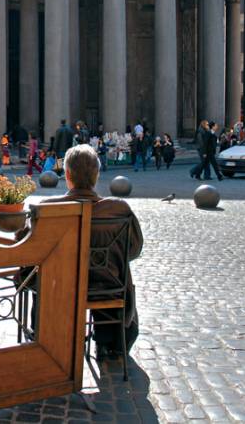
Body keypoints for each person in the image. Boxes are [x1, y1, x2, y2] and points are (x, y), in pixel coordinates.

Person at [39, 145, 143, 360]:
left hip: (60, 287)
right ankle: (108, 341)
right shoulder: (119, 209)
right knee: (108, 273)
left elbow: (32, 252)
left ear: (67, 175)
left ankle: (47, 338)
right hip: (108, 286)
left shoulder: (47, 208)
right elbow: (133, 249)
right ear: (97, 176)